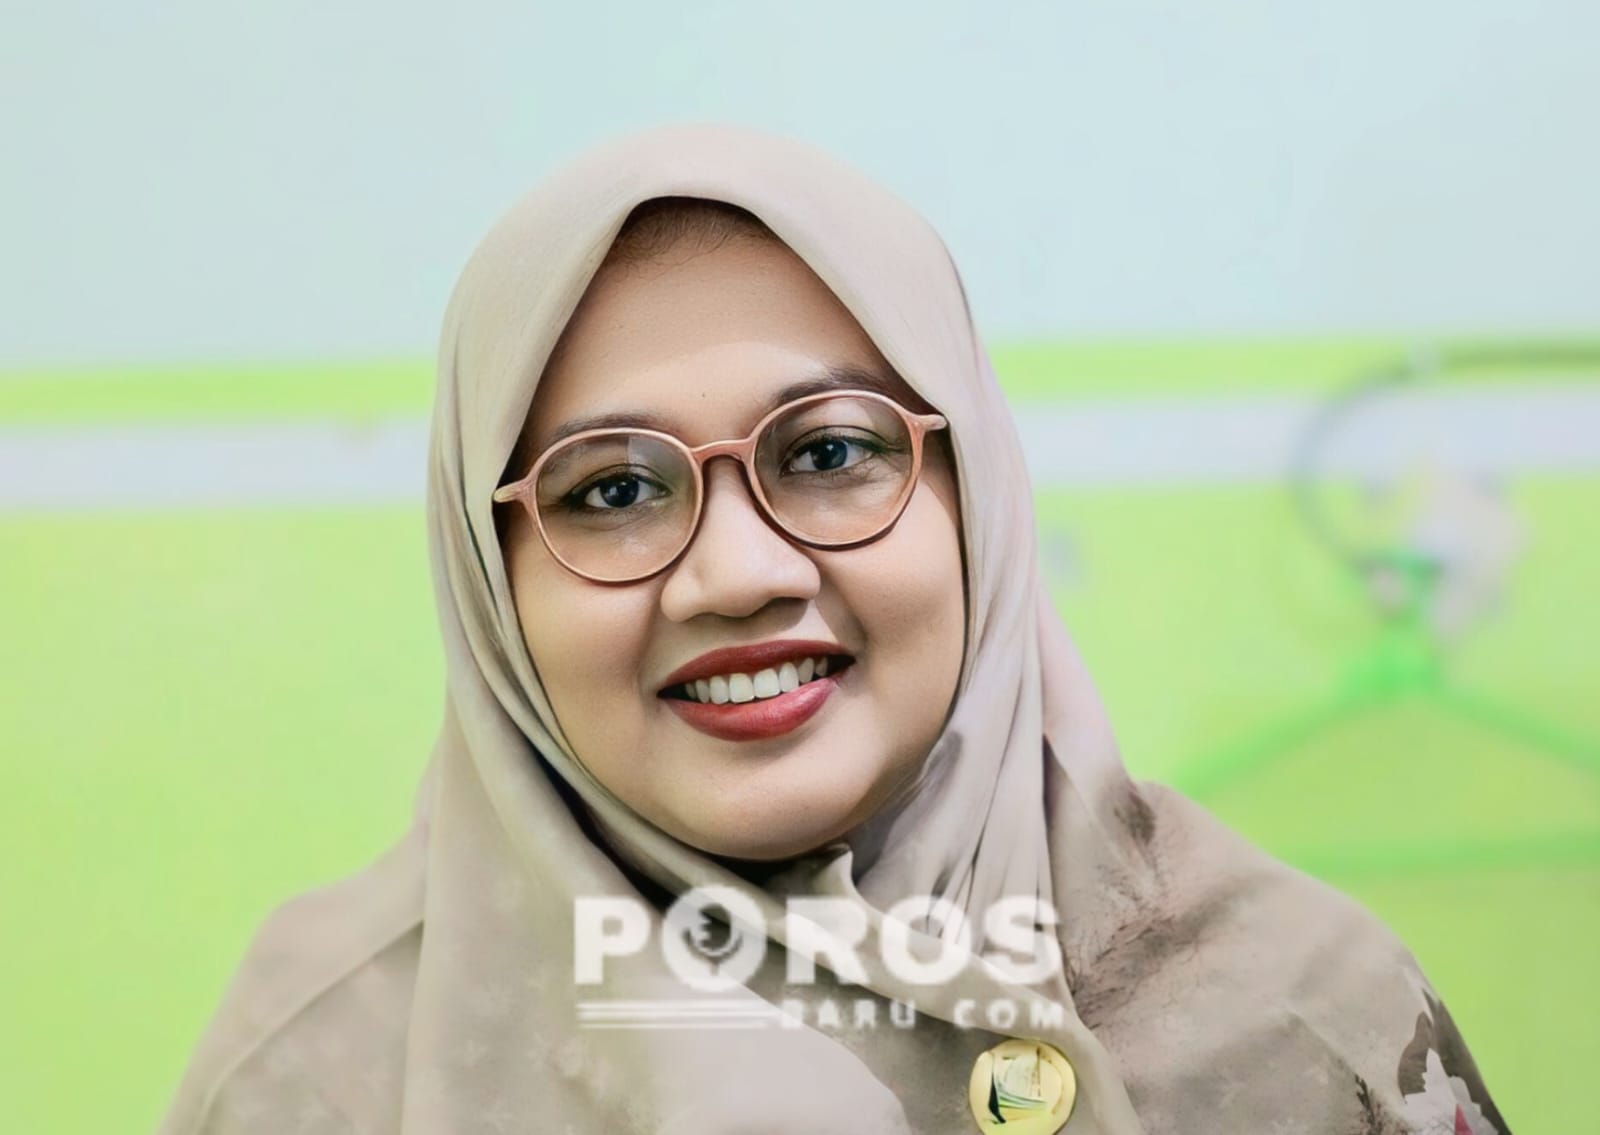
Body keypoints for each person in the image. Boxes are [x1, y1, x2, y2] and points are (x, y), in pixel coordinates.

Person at [157, 124, 1510, 1134]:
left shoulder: (1287, 1017)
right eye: (612, 490)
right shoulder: (323, 1072)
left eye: (831, 453)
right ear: (485, 570)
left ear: (976, 495)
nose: (737, 575)